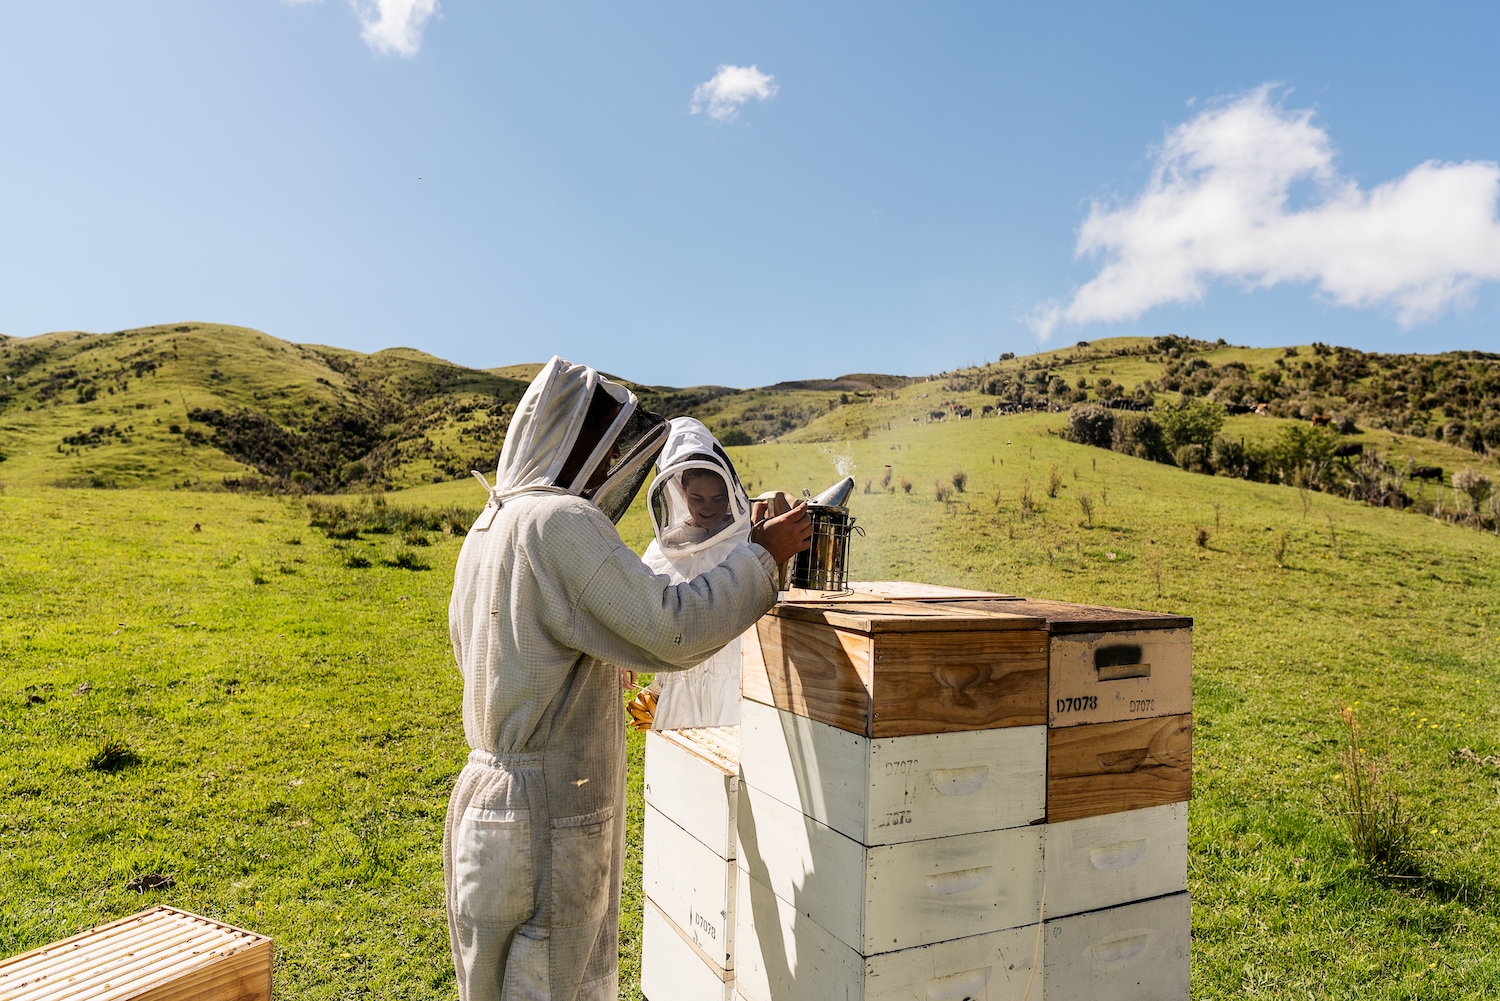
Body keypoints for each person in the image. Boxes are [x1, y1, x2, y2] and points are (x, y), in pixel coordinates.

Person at [444, 357, 810, 1001]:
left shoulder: (488, 525)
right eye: (604, 446)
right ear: (569, 439)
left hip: (485, 805)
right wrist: (764, 556)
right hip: (548, 810)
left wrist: (590, 667)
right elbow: (674, 628)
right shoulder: (556, 521)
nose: (612, 464)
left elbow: (505, 648)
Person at [639, 417, 755, 729]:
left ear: (730, 492)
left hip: (733, 690)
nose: (708, 508)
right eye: (697, 498)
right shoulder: (660, 551)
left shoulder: (744, 542)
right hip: (676, 692)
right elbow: (642, 618)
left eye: (718, 498)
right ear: (679, 491)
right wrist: (653, 688)